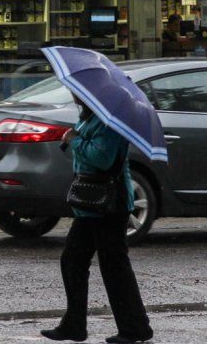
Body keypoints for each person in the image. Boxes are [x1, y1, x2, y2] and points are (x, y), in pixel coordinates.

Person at [41, 95, 153, 344]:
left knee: (115, 268)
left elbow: (102, 158)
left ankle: (136, 329)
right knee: (72, 261)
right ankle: (74, 325)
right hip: (90, 204)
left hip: (110, 206)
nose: (73, 96)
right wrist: (75, 137)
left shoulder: (110, 122)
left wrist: (75, 140)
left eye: (77, 93)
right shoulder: (90, 116)